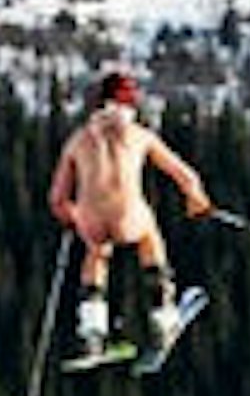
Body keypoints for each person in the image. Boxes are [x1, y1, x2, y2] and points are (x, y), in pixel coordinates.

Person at [49, 69, 212, 366]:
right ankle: (163, 317)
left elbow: (57, 199)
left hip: (92, 219)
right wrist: (197, 200)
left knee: (96, 253)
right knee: (150, 238)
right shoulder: (139, 136)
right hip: (129, 216)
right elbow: (183, 174)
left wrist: (72, 217)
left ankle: (92, 333)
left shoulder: (78, 140)